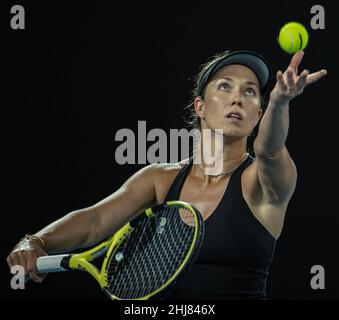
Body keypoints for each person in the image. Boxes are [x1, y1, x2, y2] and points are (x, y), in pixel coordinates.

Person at [7, 49, 327, 299]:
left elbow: (269, 149)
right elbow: (93, 222)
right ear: (200, 106)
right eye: (225, 86)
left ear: (259, 113)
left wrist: (281, 102)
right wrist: (36, 241)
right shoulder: (160, 179)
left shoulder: (261, 181)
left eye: (250, 92)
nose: (237, 98)